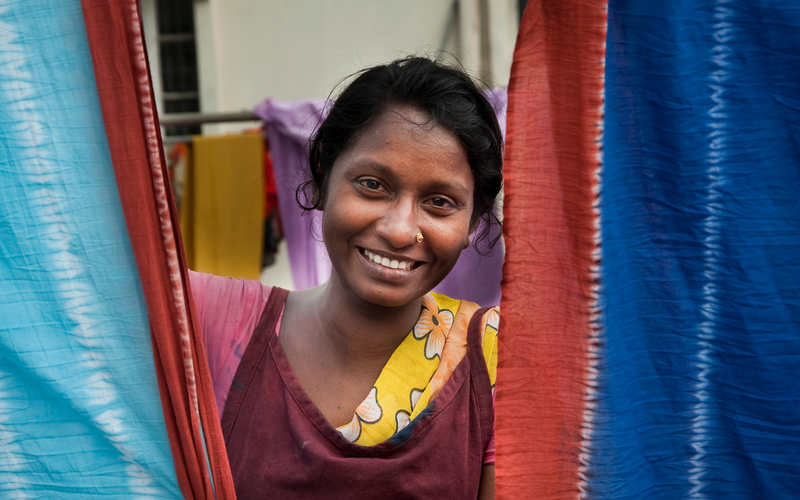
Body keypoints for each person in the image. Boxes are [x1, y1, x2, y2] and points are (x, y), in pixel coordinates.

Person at [189, 56, 503, 499]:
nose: (398, 230)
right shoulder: (213, 320)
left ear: (473, 223)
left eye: (439, 201)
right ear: (322, 176)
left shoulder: (493, 357)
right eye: (373, 185)